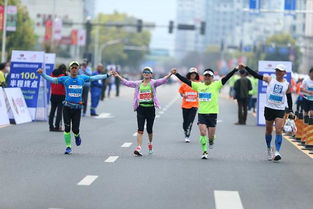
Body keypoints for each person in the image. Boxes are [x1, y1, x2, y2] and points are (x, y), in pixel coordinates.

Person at [37, 61, 112, 154]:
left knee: (75, 129)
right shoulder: (65, 79)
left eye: (76, 67)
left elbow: (94, 78)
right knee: (67, 128)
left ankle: (77, 135)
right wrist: (42, 74)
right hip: (67, 107)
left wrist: (107, 75)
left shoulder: (82, 78)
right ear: (69, 69)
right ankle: (68, 147)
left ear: (78, 69)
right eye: (72, 67)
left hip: (77, 108)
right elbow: (52, 80)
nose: (74, 69)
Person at [172, 67, 239, 159]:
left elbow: (227, 77)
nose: (207, 77)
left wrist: (235, 70)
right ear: (203, 77)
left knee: (210, 137)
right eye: (206, 76)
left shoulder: (217, 85)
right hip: (202, 113)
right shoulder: (198, 85)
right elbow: (186, 81)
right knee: (203, 132)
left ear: (212, 77)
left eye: (209, 76)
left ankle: (211, 141)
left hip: (212, 113)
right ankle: (204, 151)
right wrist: (176, 74)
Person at [113, 67, 174, 156]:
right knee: (140, 129)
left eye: (148, 72)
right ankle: (138, 147)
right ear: (142, 74)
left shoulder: (153, 83)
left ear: (151, 74)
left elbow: (163, 80)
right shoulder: (138, 84)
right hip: (141, 108)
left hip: (150, 109)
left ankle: (150, 143)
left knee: (149, 129)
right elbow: (127, 83)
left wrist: (170, 74)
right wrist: (118, 76)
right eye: (145, 72)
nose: (146, 73)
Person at [241, 63, 293, 161]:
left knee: (278, 130)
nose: (278, 72)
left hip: (280, 109)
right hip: (269, 108)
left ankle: (277, 152)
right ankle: (269, 148)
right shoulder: (270, 79)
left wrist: (290, 110)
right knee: (268, 130)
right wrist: (246, 67)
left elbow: (289, 98)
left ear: (284, 73)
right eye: (277, 70)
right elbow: (256, 75)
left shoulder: (287, 85)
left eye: (280, 71)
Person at [178, 67, 199, 143]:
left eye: (194, 74)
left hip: (194, 105)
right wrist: (183, 95)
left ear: (196, 75)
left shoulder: (198, 84)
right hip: (185, 105)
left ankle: (187, 136)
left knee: (190, 121)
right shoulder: (184, 84)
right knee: (185, 122)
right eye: (191, 74)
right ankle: (185, 130)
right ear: (189, 75)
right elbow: (180, 92)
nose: (193, 75)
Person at [49, 64, 66, 131]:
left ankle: (51, 126)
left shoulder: (52, 74)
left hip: (53, 94)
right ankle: (57, 126)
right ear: (64, 70)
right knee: (59, 112)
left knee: (52, 111)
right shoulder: (63, 76)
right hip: (61, 95)